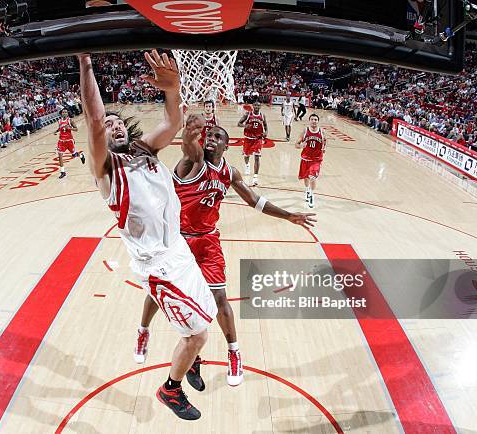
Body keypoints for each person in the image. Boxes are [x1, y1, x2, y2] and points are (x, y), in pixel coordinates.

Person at [79, 50, 216, 420]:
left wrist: (173, 91)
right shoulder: (105, 171)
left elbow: (173, 122)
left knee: (208, 316)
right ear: (100, 140)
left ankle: (189, 362)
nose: (114, 126)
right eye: (107, 127)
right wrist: (86, 61)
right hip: (157, 265)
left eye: (117, 122)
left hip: (179, 250)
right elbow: (93, 119)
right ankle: (170, 389)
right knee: (198, 334)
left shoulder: (143, 148)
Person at [135, 115, 316, 388]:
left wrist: (288, 215)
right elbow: (188, 146)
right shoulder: (192, 162)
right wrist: (188, 130)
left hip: (207, 241)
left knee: (219, 298)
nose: (211, 140)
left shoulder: (230, 173)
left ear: (226, 146)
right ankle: (143, 331)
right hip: (177, 241)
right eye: (209, 136)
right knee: (158, 293)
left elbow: (254, 200)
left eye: (218, 137)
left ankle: (234, 352)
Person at [296, 114, 326, 208]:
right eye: (312, 119)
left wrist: (324, 148)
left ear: (318, 121)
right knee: (306, 178)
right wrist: (301, 146)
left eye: (316, 119)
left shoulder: (322, 131)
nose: (314, 121)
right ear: (309, 120)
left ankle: (312, 195)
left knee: (313, 177)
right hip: (305, 158)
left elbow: (325, 141)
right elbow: (296, 144)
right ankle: (307, 189)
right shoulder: (305, 131)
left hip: (316, 159)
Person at [237, 101, 267, 186]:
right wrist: (245, 126)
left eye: (258, 105)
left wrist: (266, 132)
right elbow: (239, 123)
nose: (257, 106)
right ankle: (247, 165)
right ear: (253, 106)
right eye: (255, 105)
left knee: (257, 157)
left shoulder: (262, 115)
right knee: (246, 155)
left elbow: (265, 126)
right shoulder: (248, 114)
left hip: (258, 139)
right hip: (248, 138)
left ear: (260, 106)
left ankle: (255, 177)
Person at [54, 108, 84, 178]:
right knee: (60, 156)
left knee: (74, 155)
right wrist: (56, 131)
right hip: (61, 141)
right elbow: (60, 128)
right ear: (61, 113)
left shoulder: (70, 120)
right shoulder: (59, 121)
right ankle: (63, 172)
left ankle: (81, 155)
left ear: (67, 113)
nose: (64, 113)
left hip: (69, 140)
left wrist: (70, 128)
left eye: (66, 112)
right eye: (63, 112)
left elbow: (76, 129)